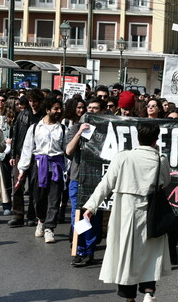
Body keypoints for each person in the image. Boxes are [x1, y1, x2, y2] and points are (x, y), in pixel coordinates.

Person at [83, 122, 172, 302]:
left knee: (125, 255)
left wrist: (90, 207)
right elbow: (166, 181)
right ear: (156, 139)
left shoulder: (123, 157)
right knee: (151, 253)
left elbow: (106, 183)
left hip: (126, 211)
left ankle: (129, 297)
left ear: (137, 137)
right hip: (152, 211)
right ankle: (149, 291)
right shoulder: (160, 159)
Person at [16, 98, 66, 243]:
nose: (59, 111)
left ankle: (50, 228)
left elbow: (66, 151)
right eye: (55, 109)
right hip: (39, 167)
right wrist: (22, 169)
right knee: (38, 198)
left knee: (54, 199)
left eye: (60, 109)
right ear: (47, 110)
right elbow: (27, 149)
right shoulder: (35, 128)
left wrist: (66, 171)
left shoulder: (62, 129)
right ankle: (41, 220)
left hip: (56, 166)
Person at [66, 98, 105, 266]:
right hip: (78, 179)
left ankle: (90, 250)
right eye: (89, 108)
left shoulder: (105, 130)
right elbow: (68, 151)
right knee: (79, 215)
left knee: (94, 217)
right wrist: (79, 133)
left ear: (102, 111)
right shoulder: (75, 128)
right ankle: (79, 249)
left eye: (95, 109)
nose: (90, 111)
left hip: (98, 180)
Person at [8, 88, 45, 228]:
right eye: (30, 101)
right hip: (20, 154)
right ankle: (18, 215)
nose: (32, 104)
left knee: (34, 187)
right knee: (18, 186)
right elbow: (15, 135)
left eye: (35, 101)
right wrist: (12, 155)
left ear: (40, 102)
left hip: (37, 156)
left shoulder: (43, 117)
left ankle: (31, 215)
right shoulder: (22, 115)